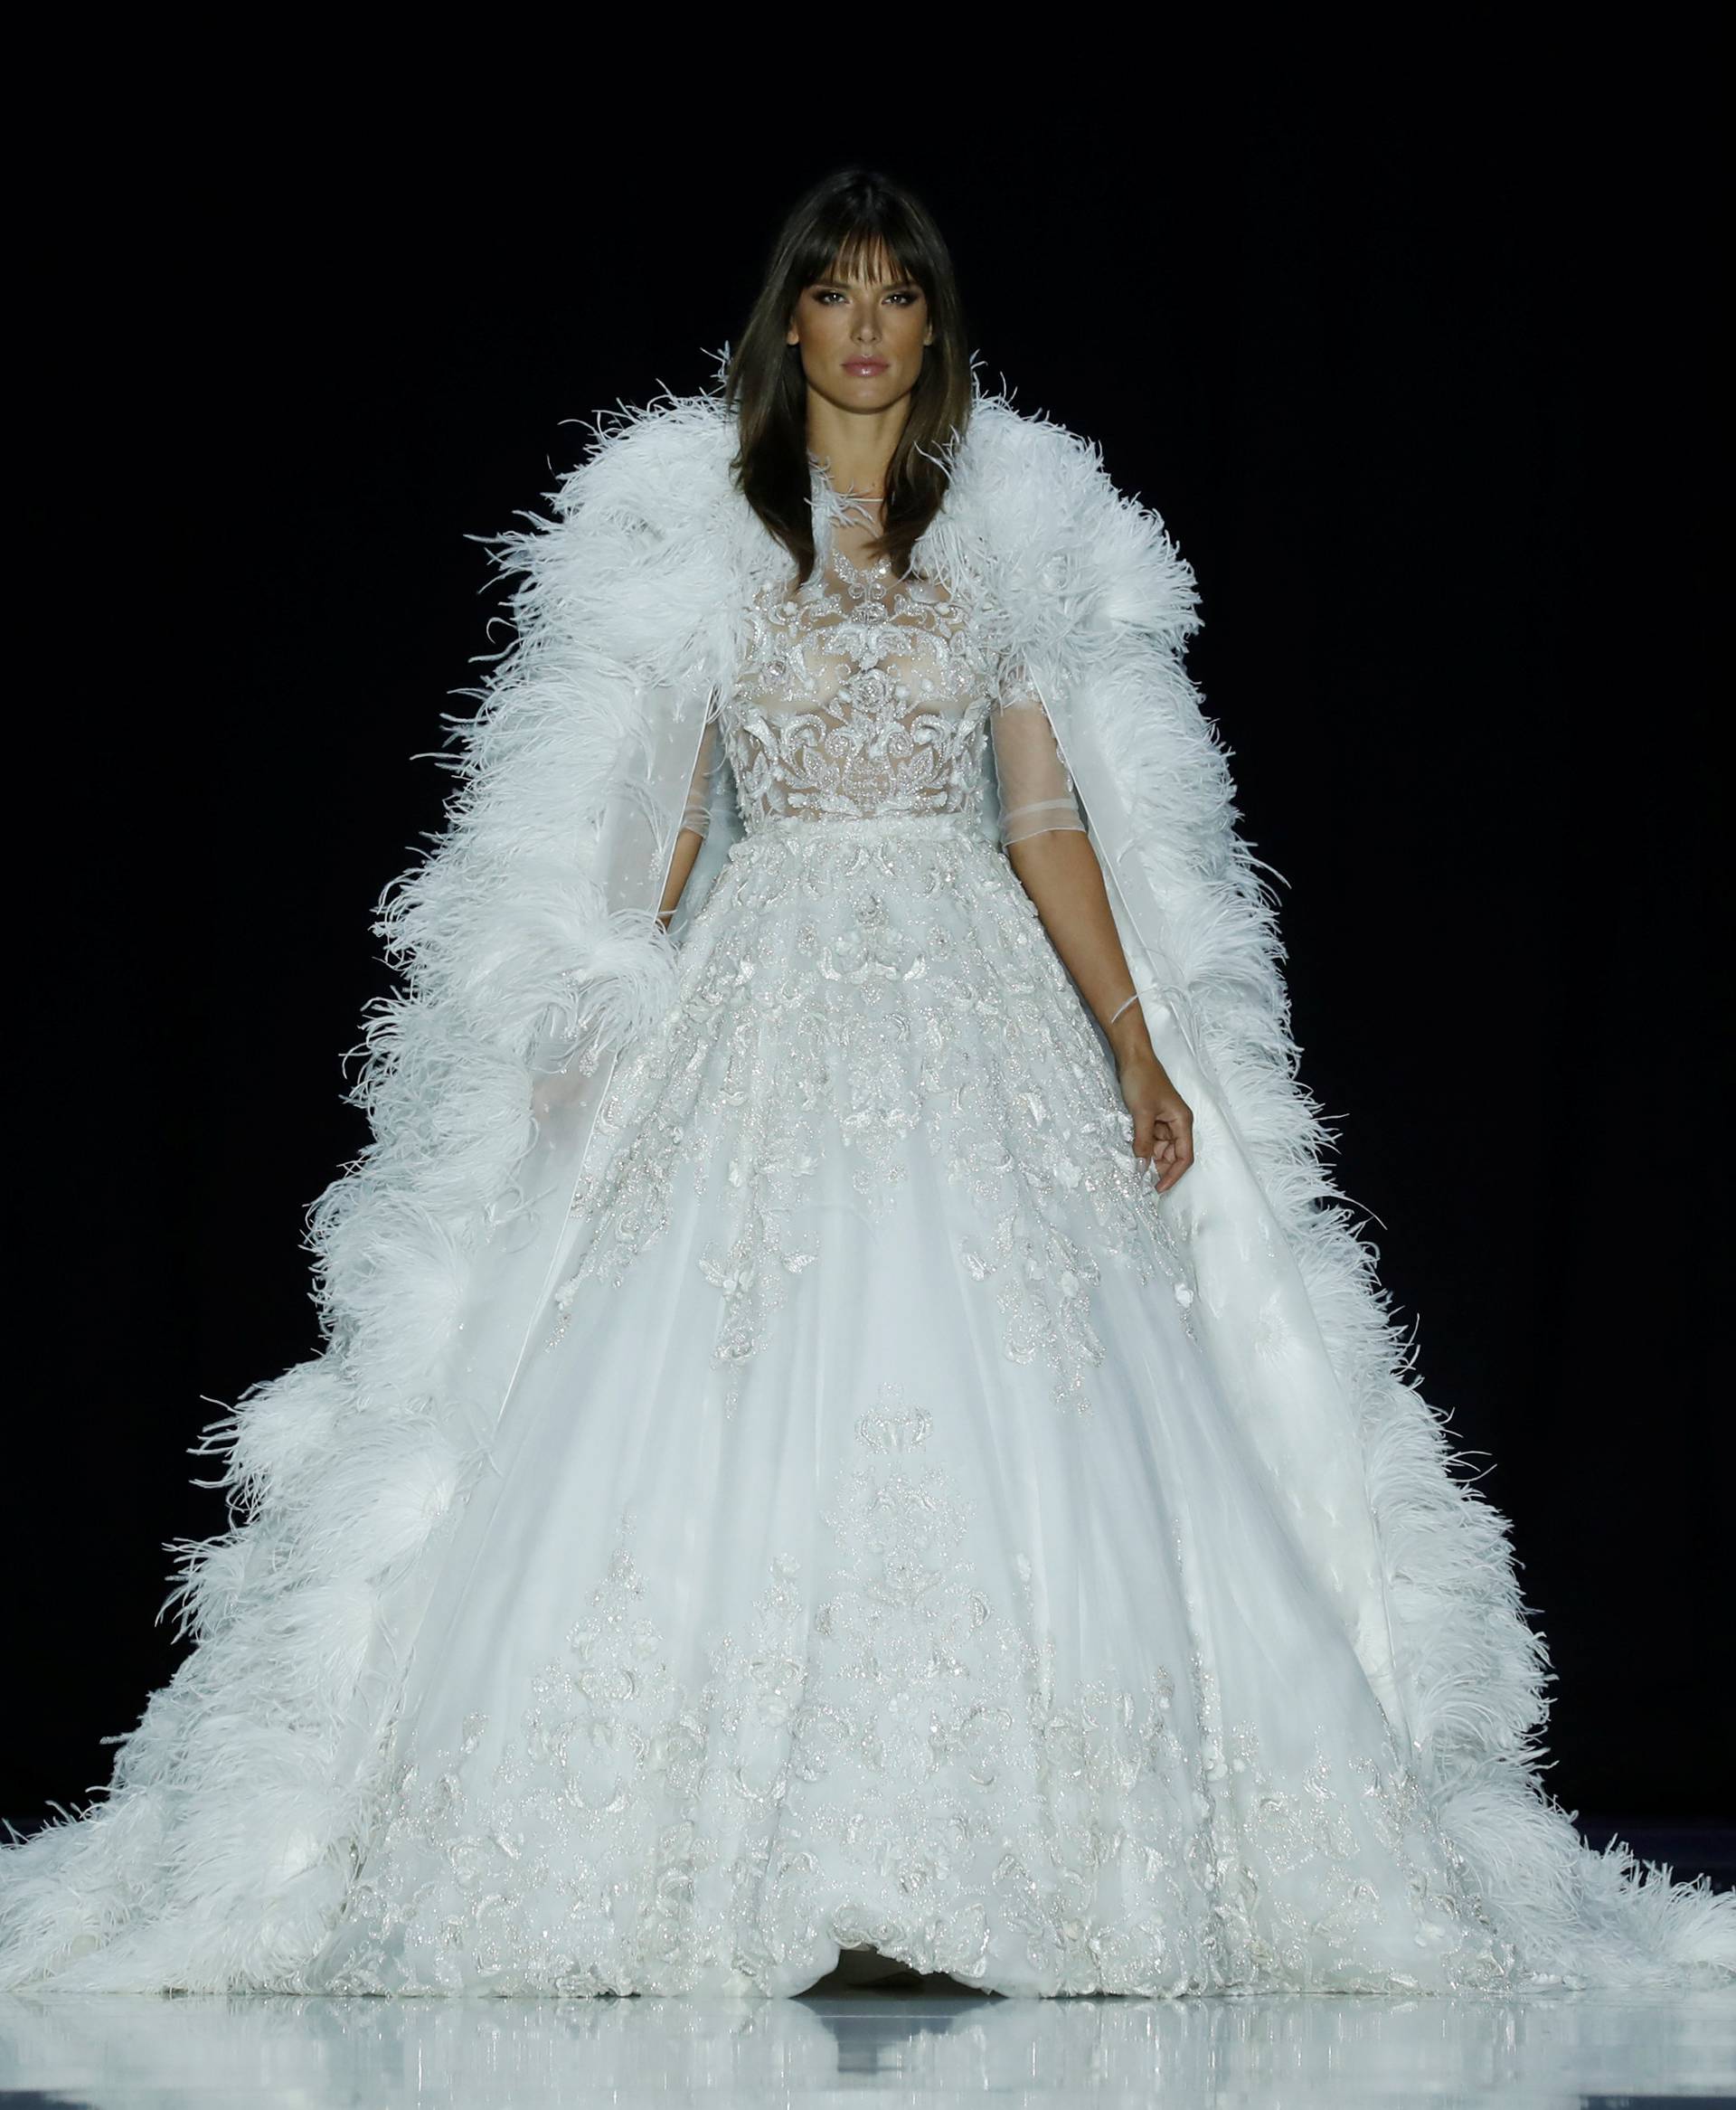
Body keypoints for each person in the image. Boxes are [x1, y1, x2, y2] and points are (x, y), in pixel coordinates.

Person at [3, 169, 1731, 2001]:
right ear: (792, 328)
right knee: (712, 1369)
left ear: (934, 332)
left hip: (967, 986)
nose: (870, 325)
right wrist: (601, 1020)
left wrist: (1138, 1042)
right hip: (762, 992)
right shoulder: (716, 552)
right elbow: (670, 822)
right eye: (837, 293)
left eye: (901, 294)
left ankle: (1019, 1840)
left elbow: (1046, 815)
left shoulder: (998, 550)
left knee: (1018, 1375)